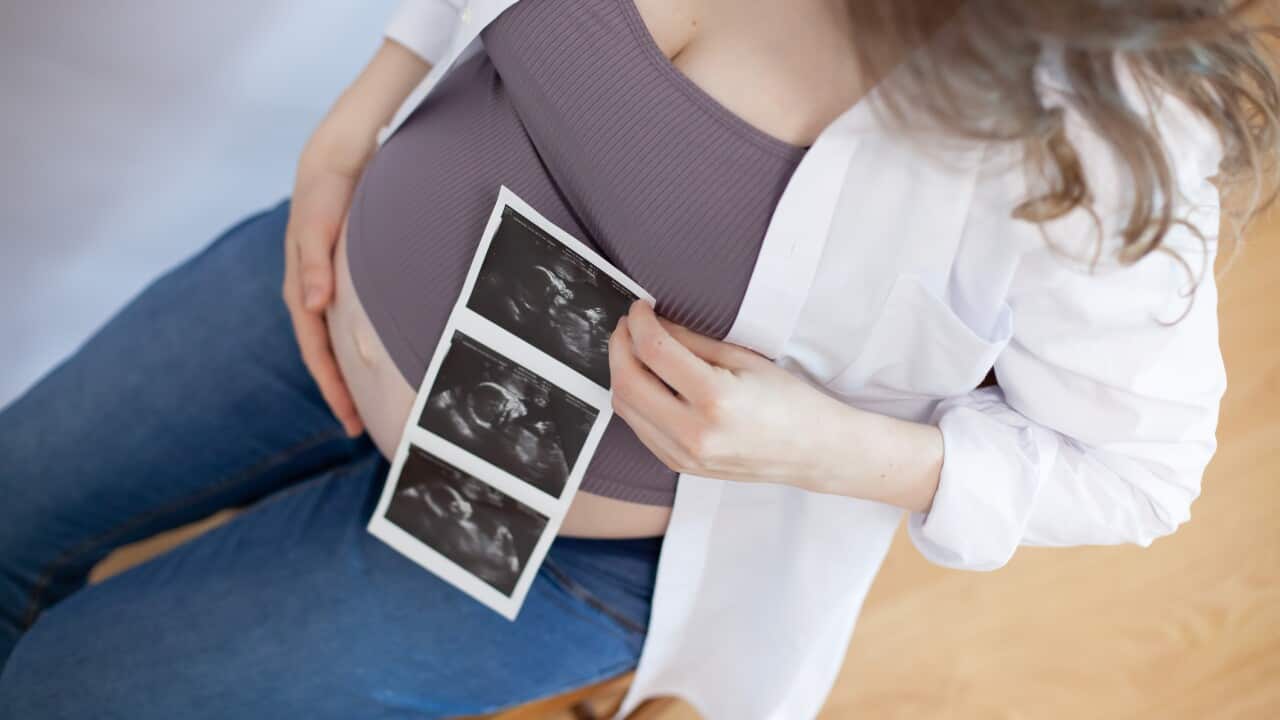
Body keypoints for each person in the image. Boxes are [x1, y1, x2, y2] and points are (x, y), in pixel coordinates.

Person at [0, 0, 1275, 717]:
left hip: (567, 549)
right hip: (323, 290)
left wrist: (837, 451)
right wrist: (372, 91)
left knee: (65, 693)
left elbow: (1141, 475)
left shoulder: (1103, 151)